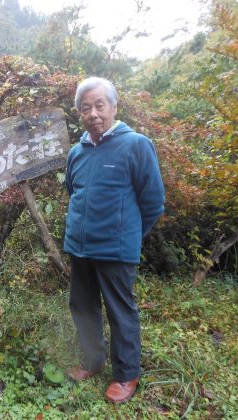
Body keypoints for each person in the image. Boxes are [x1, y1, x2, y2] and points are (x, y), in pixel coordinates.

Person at [64, 77, 165, 403]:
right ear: (79, 113)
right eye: (85, 108)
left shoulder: (136, 144)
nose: (93, 113)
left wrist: (128, 235)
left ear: (113, 107)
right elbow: (73, 191)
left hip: (115, 249)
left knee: (121, 312)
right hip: (79, 247)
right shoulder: (76, 152)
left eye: (99, 105)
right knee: (83, 306)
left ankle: (126, 375)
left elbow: (153, 202)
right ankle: (93, 361)